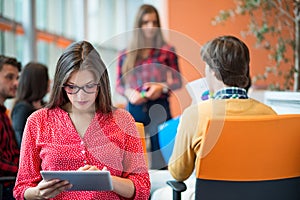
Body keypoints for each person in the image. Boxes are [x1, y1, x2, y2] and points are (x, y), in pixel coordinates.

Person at [13, 41, 150, 200]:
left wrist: (107, 181)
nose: (81, 96)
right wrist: (37, 193)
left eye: (89, 86)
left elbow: (142, 187)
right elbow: (21, 188)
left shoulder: (123, 120)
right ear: (60, 85)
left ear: (101, 83)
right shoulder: (38, 121)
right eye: (72, 87)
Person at [152, 35, 277, 199]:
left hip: (208, 195)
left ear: (212, 70)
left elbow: (178, 172)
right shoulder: (269, 114)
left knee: (155, 190)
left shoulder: (196, 114)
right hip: (256, 195)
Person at [116, 4, 182, 170]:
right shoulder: (126, 53)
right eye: (146, 22)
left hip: (160, 107)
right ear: (139, 25)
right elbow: (119, 84)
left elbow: (177, 81)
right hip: (135, 108)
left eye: (154, 22)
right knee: (131, 159)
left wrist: (162, 87)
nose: (150, 27)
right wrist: (129, 93)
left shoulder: (167, 51)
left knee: (161, 159)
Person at [11, 62, 49, 148]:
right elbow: (21, 142)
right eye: (46, 78)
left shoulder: (44, 105)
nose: (49, 81)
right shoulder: (23, 108)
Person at [0, 55, 22, 200]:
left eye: (17, 78)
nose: (16, 83)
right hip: (5, 186)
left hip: (12, 183)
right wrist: (23, 171)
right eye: (9, 77)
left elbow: (14, 153)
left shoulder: (3, 113)